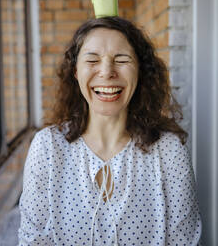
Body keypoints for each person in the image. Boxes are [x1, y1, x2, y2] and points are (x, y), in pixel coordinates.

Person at [18, 16, 202, 245]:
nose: (107, 72)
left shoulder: (169, 151)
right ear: (76, 71)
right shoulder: (47, 148)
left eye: (121, 60)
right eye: (92, 60)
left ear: (140, 71)